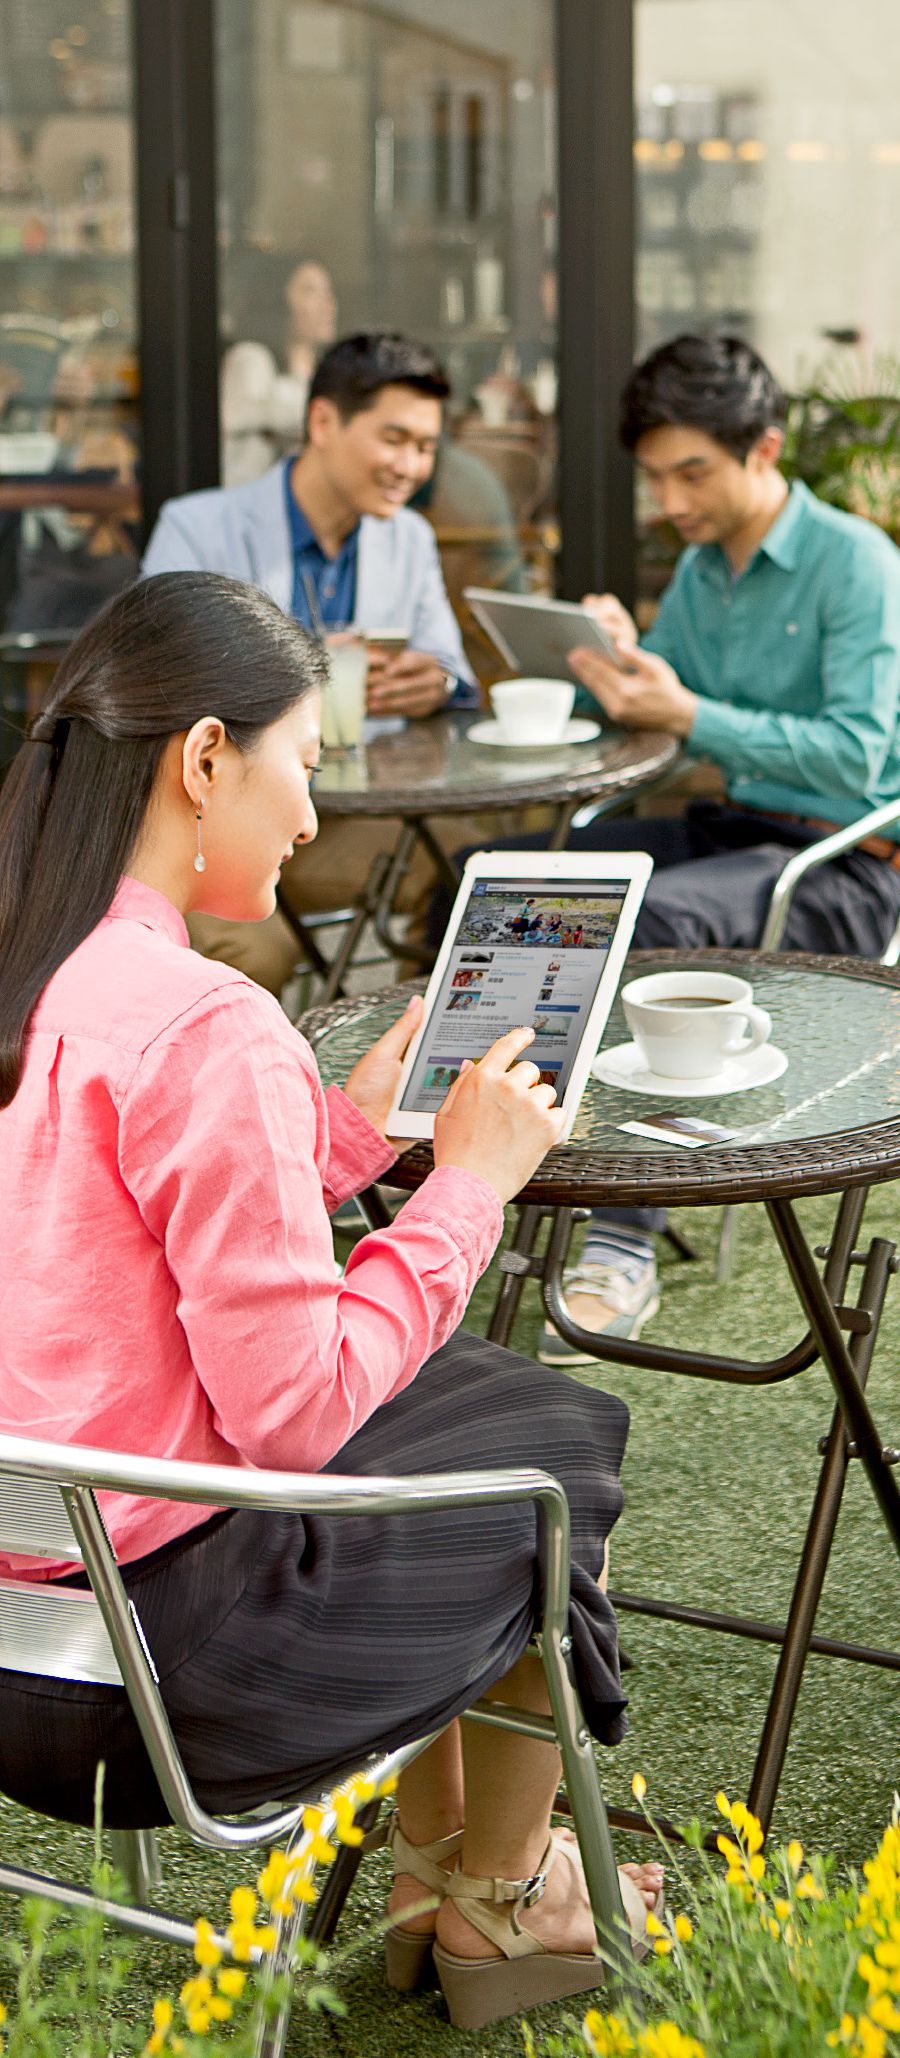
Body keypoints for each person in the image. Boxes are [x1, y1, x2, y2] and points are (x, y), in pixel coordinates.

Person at [0, 572, 660, 2029]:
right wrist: (467, 1184)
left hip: (18, 1648)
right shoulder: (202, 1020)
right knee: (556, 1457)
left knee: (508, 1404)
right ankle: (499, 1897)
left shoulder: (38, 972)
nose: (310, 816)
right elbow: (291, 1416)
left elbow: (105, 1255)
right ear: (205, 757)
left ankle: (455, 1871)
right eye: (303, 764)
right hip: (167, 1684)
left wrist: (352, 1136)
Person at [437, 333, 900, 1362]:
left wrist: (687, 707)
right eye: (656, 476)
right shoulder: (700, 569)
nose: (672, 498)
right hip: (731, 831)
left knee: (651, 918)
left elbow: (860, 762)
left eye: (692, 472)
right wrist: (618, 666)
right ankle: (468, 1167)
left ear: (765, 450)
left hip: (842, 860)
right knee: (491, 878)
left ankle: (620, 1237)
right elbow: (666, 725)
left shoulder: (856, 564)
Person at [143, 331, 483, 998]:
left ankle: (407, 1066)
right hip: (219, 824)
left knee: (476, 876)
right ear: (323, 421)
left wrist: (435, 679)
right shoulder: (197, 529)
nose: (410, 466)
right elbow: (162, 684)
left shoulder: (408, 536)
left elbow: (447, 656)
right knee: (250, 957)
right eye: (394, 439)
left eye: (425, 448)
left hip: (360, 814)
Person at [219, 258, 338, 486]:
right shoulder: (251, 357)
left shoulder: (323, 369)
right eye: (311, 291)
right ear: (279, 299)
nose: (328, 303)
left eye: (329, 292)